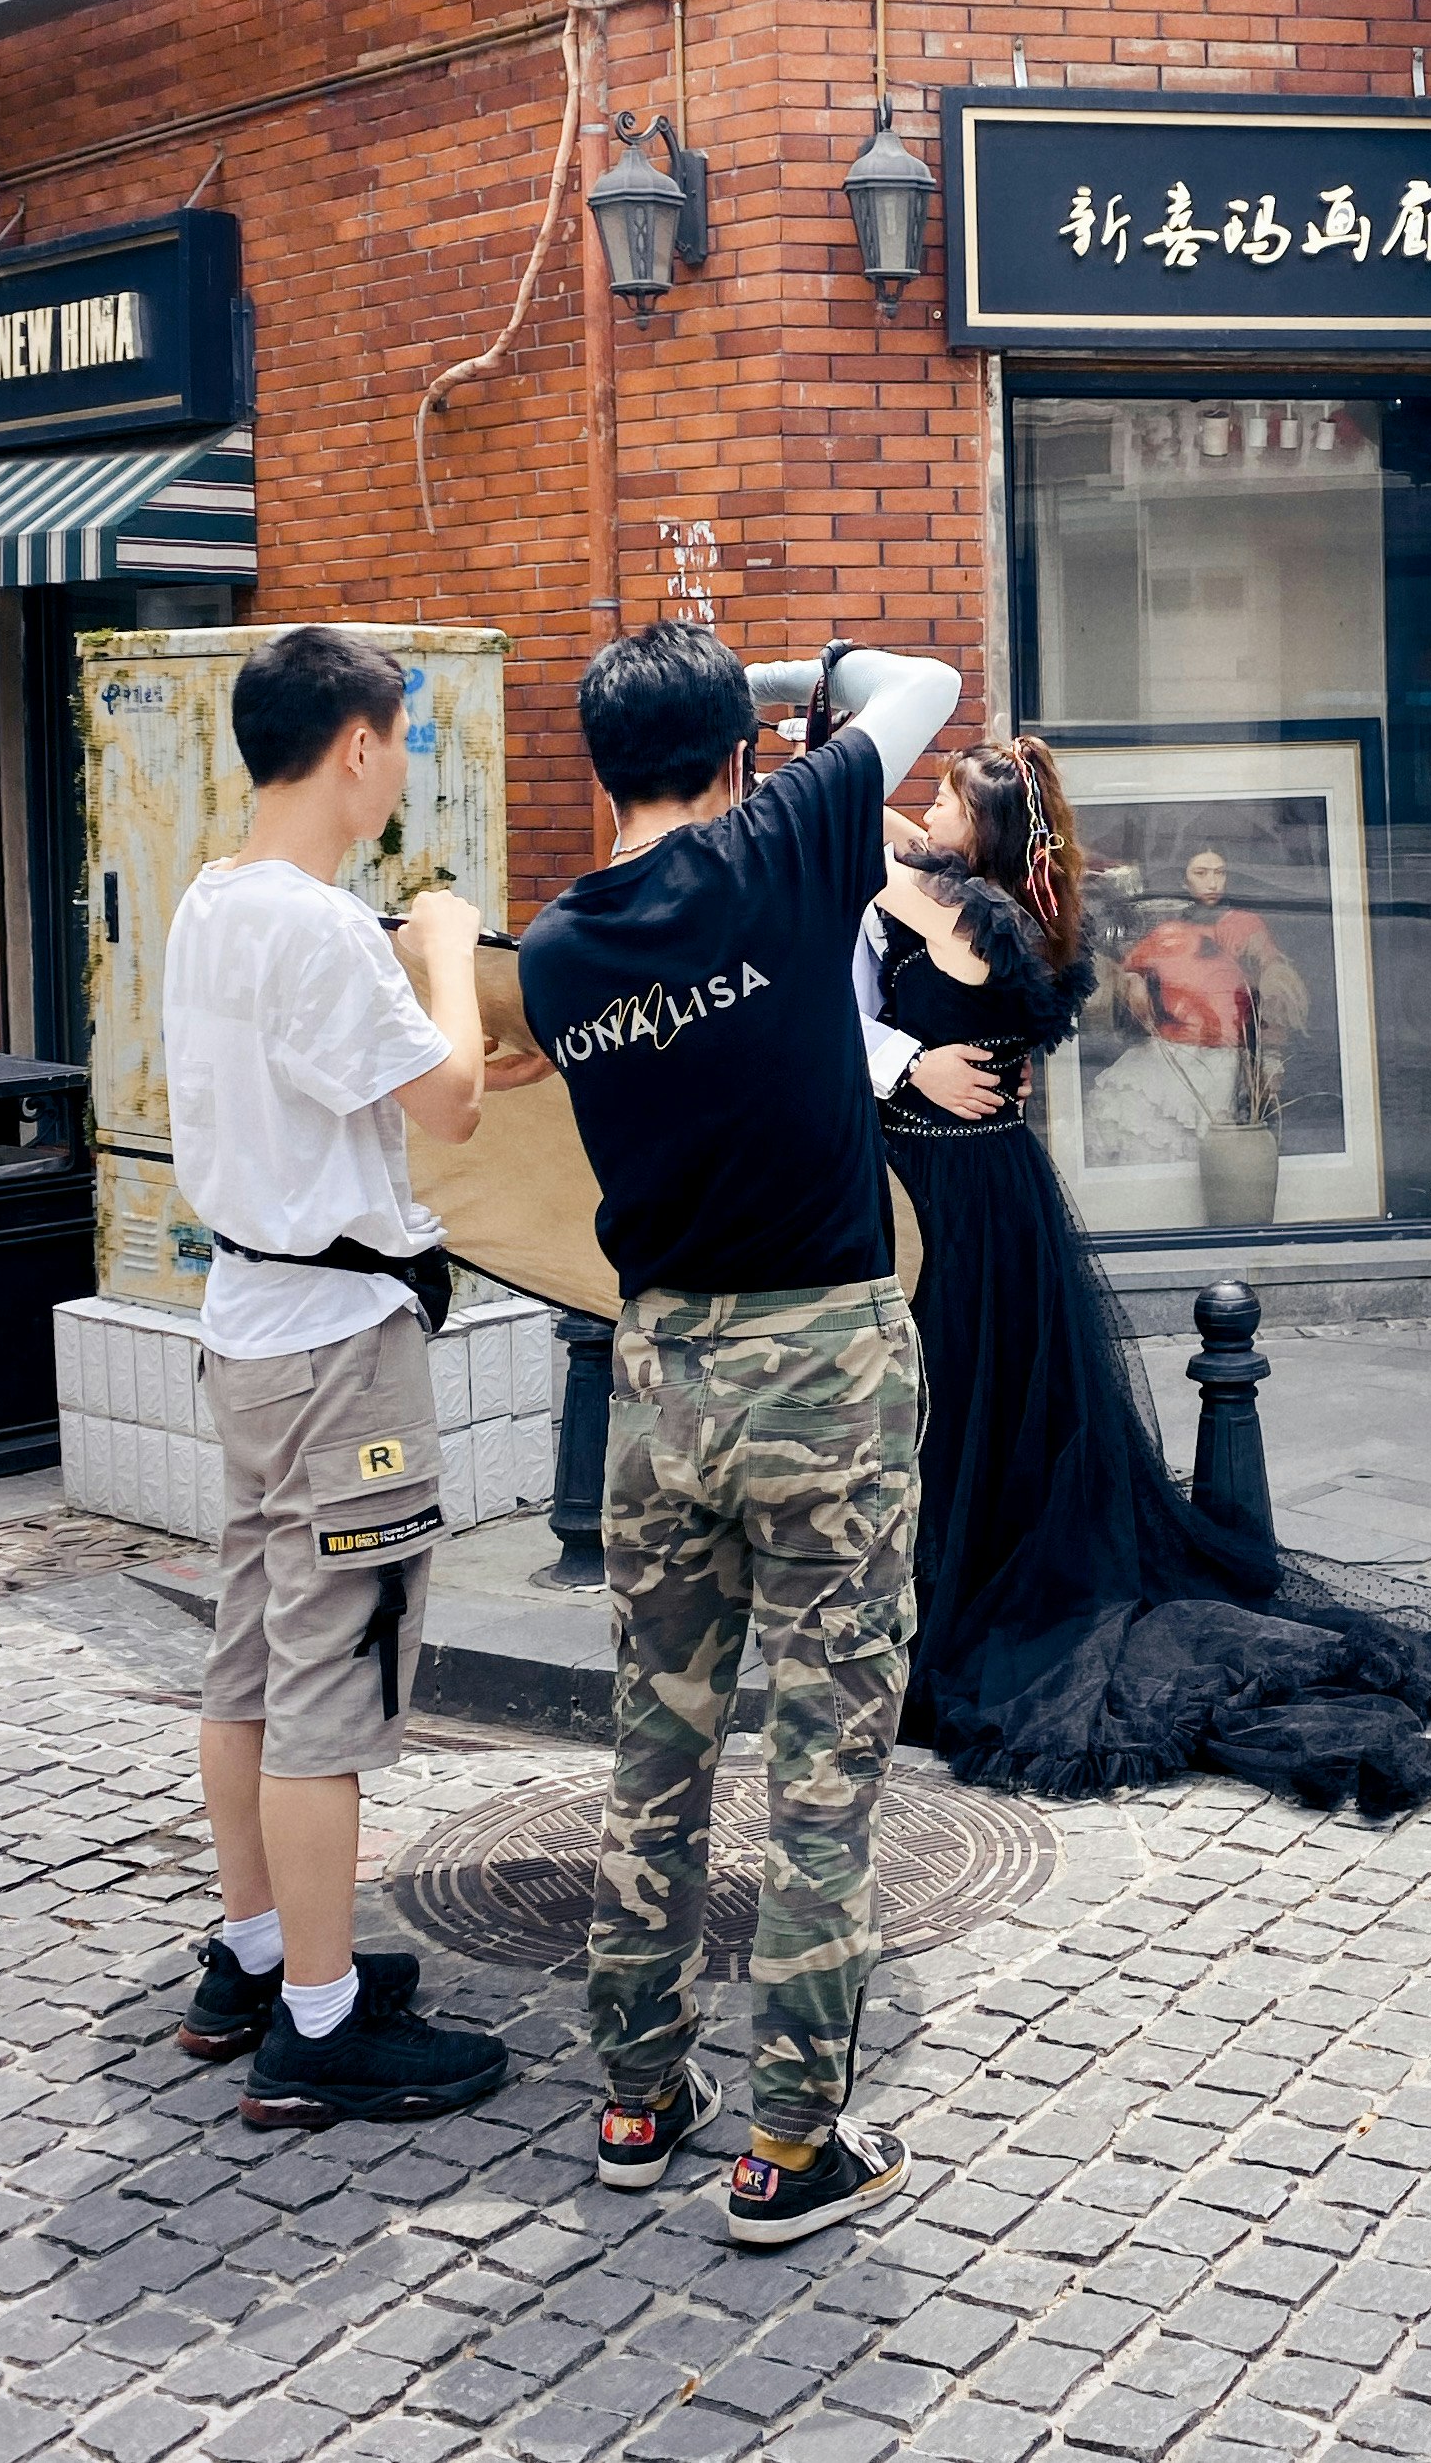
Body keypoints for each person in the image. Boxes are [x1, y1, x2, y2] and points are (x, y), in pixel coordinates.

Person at [518, 621, 958, 2243]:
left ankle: (638, 2093)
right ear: (739, 753)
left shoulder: (563, 948)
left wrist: (731, 728)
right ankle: (791, 2145)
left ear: (592, 770)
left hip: (659, 1371)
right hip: (825, 1362)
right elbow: (927, 690)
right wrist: (798, 685)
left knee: (656, 1742)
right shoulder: (782, 847)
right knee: (825, 1767)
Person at [859, 732, 1431, 1813]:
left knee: (952, 1407)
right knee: (1003, 1412)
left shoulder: (929, 902)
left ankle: (936, 1608)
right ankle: (946, 1589)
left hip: (939, 1192)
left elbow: (860, 830)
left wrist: (853, 780)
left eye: (945, 799)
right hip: (1006, 1190)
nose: (923, 808)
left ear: (981, 832)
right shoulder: (1032, 922)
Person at [166, 625, 514, 2128]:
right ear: (358, 747)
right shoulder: (321, 928)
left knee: (249, 1650)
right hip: (335, 1353)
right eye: (402, 741)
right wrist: (443, 946)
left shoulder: (210, 905)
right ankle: (318, 2023)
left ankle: (255, 1953)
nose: (406, 767)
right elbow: (445, 1103)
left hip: (248, 1325)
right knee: (332, 1673)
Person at [1080, 843, 1312, 1169]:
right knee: (1141, 1123)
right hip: (1170, 1054)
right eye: (1201, 873)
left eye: (1219, 873)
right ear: (1185, 880)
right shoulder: (1169, 933)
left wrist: (1270, 1057)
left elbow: (1273, 990)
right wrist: (1130, 988)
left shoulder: (1244, 926)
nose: (1212, 883)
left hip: (1224, 1058)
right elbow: (1131, 977)